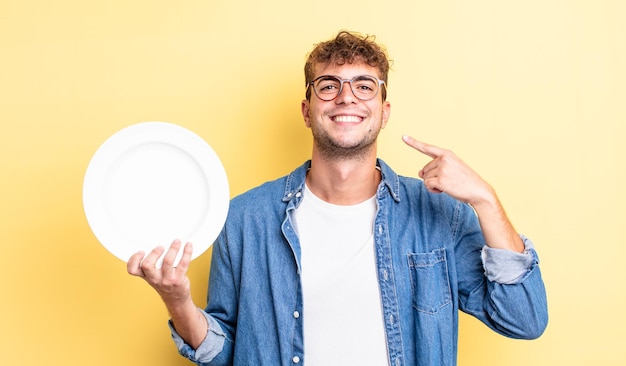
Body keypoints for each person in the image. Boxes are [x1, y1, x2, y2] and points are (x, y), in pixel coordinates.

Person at [127, 31, 548, 366]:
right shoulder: (243, 219)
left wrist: (486, 200)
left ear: (384, 110)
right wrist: (178, 301)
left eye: (364, 86)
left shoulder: (440, 214)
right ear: (307, 109)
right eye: (328, 86)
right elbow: (222, 352)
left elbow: (524, 320)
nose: (346, 96)